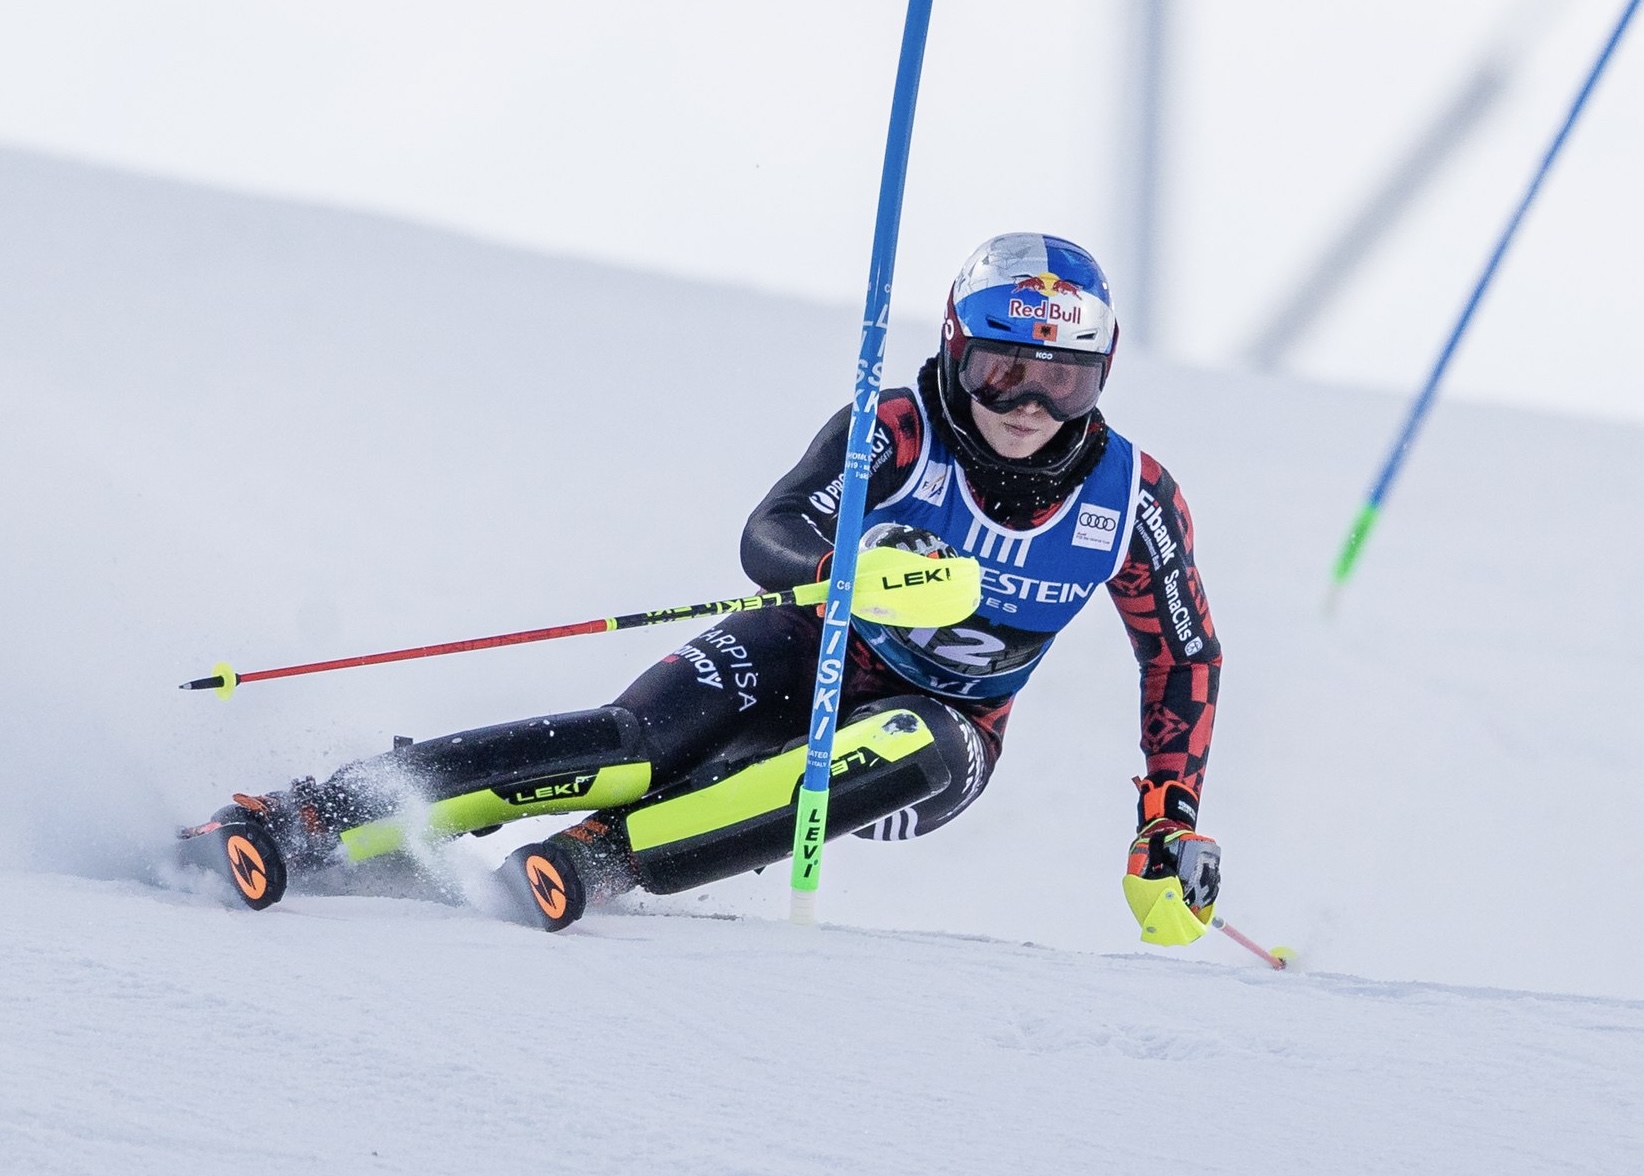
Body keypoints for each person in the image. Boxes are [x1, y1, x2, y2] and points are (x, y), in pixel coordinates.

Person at [189, 232, 1224, 938]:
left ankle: (605, 860)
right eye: (1006, 368)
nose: (1030, 403)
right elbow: (770, 532)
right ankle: (313, 817)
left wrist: (1166, 817)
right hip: (808, 643)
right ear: (958, 350)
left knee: (902, 745)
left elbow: (1181, 656)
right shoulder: (899, 434)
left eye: (1064, 379)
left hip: (944, 729)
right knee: (631, 747)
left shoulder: (1130, 500)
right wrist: (845, 574)